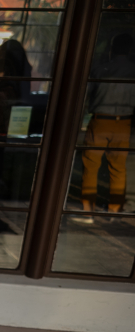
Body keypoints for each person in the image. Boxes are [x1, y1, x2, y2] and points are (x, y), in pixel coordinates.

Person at [81, 33, 135, 216]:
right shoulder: (133, 71)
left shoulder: (100, 70)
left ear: (112, 49)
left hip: (100, 121)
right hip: (124, 122)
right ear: (129, 50)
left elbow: (87, 96)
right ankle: (115, 210)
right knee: (118, 168)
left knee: (91, 165)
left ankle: (88, 209)